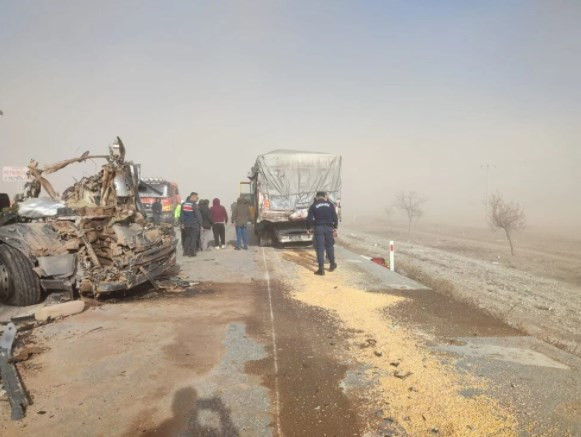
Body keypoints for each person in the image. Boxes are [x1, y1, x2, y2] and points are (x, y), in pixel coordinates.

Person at [307, 191, 338, 275]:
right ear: (325, 197)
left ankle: (321, 269)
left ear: (316, 197)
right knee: (329, 246)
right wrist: (335, 227)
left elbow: (309, 219)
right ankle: (332, 264)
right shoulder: (330, 205)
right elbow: (335, 217)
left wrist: (309, 228)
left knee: (320, 248)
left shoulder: (313, 206)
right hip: (329, 228)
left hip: (318, 228)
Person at [179, 192, 202, 257]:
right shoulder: (194, 205)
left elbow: (181, 215)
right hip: (194, 224)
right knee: (194, 237)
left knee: (188, 237)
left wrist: (182, 223)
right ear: (193, 197)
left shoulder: (183, 204)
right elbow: (198, 215)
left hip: (186, 224)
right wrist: (201, 224)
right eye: (196, 197)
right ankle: (192, 252)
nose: (197, 198)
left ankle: (185, 251)